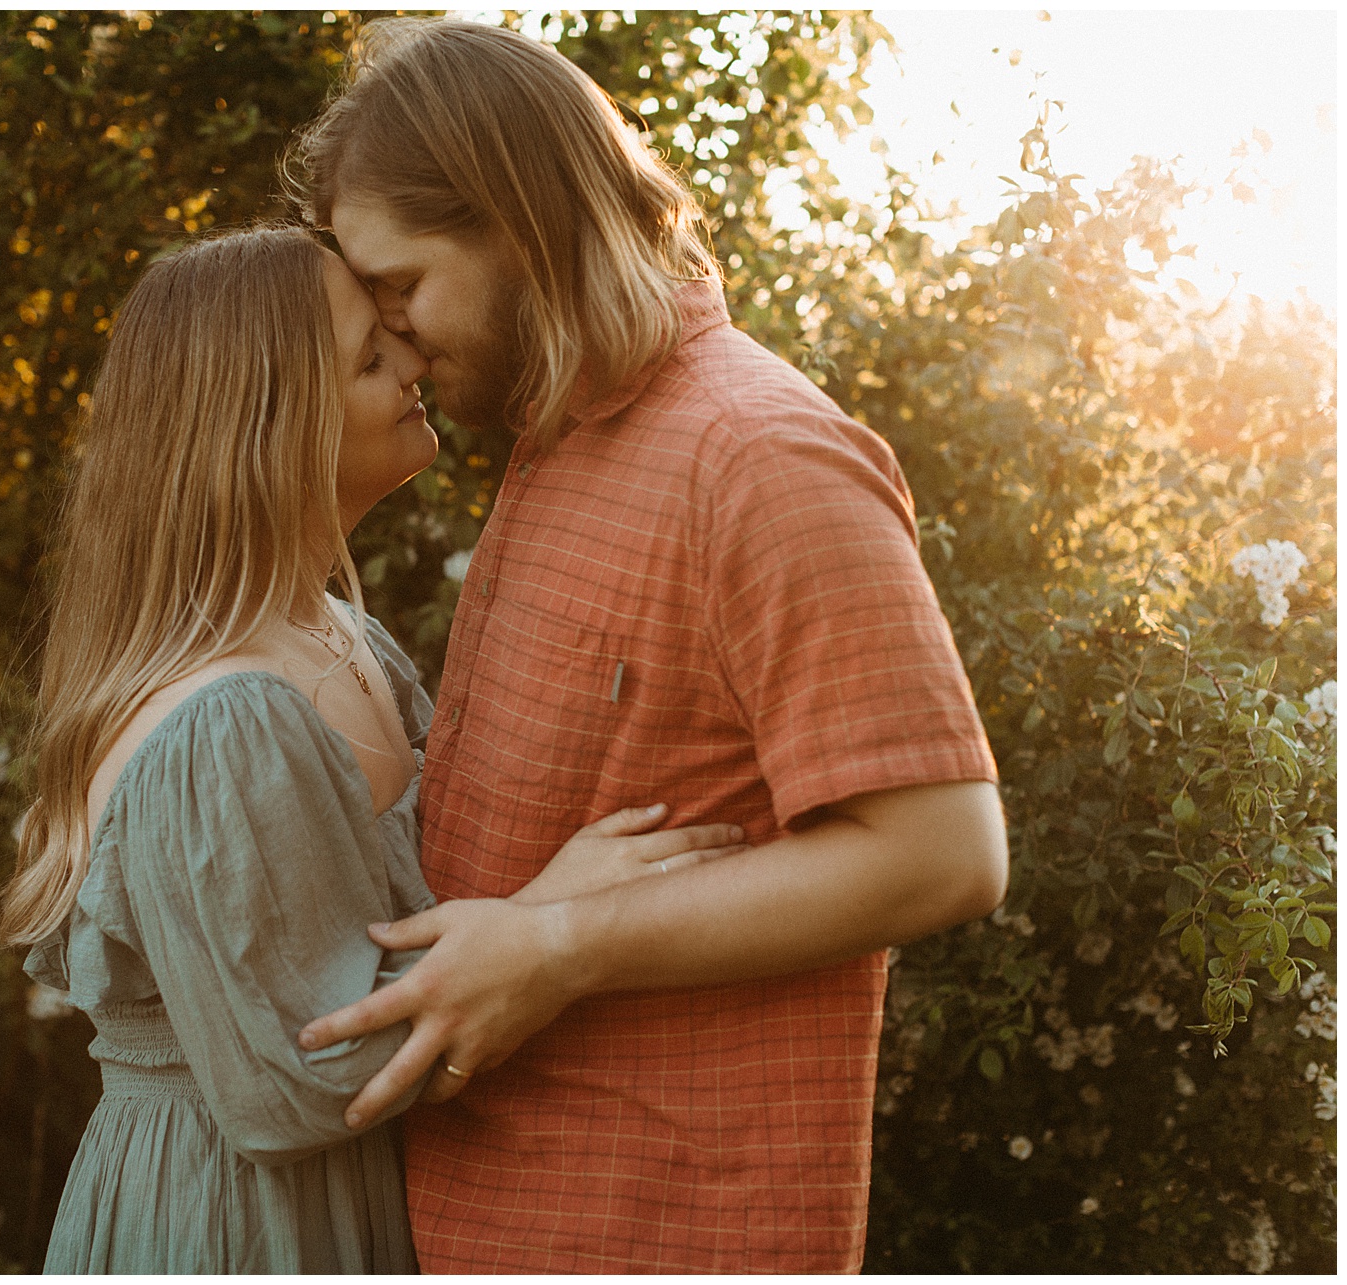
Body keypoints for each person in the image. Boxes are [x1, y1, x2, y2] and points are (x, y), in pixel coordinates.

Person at [285, 18, 1010, 1274]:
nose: (392, 336)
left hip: (667, 1228)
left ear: (520, 220)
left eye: (400, 285)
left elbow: (944, 853)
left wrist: (558, 945)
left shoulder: (760, 455)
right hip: (483, 1220)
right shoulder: (557, 430)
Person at [0, 225, 744, 1273]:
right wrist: (555, 920)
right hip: (236, 1223)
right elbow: (317, 1072)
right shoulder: (224, 721)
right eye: (369, 357)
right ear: (268, 427)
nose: (413, 364)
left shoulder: (344, 641)